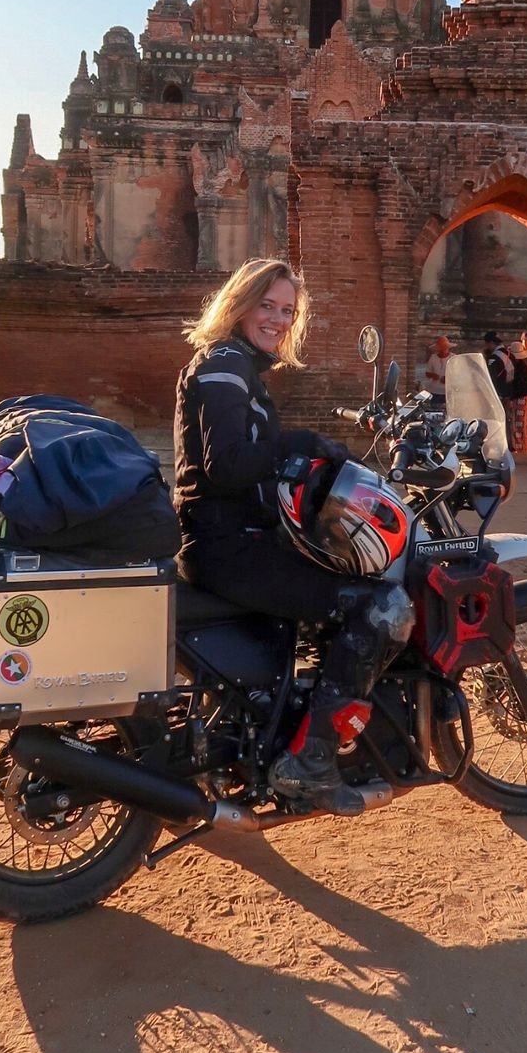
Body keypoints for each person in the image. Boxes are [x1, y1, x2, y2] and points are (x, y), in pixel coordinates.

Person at [174, 258, 413, 816]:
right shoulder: (221, 368)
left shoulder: (241, 371)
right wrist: (300, 441)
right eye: (267, 305)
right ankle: (310, 763)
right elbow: (229, 465)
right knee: (380, 608)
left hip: (242, 537)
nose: (278, 319)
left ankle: (285, 723)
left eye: (287, 311)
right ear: (239, 305)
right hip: (226, 546)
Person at [507, 337, 527, 452]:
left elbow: (515, 384)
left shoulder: (518, 367)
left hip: (521, 397)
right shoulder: (524, 366)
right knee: (526, 423)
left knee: (518, 424)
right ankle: (526, 447)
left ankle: (521, 449)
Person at [424, 335, 451, 408]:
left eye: (445, 348)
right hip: (435, 391)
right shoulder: (433, 358)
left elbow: (458, 374)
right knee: (434, 409)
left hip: (449, 392)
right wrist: (433, 375)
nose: (443, 350)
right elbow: (427, 373)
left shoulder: (453, 358)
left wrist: (448, 378)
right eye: (441, 348)